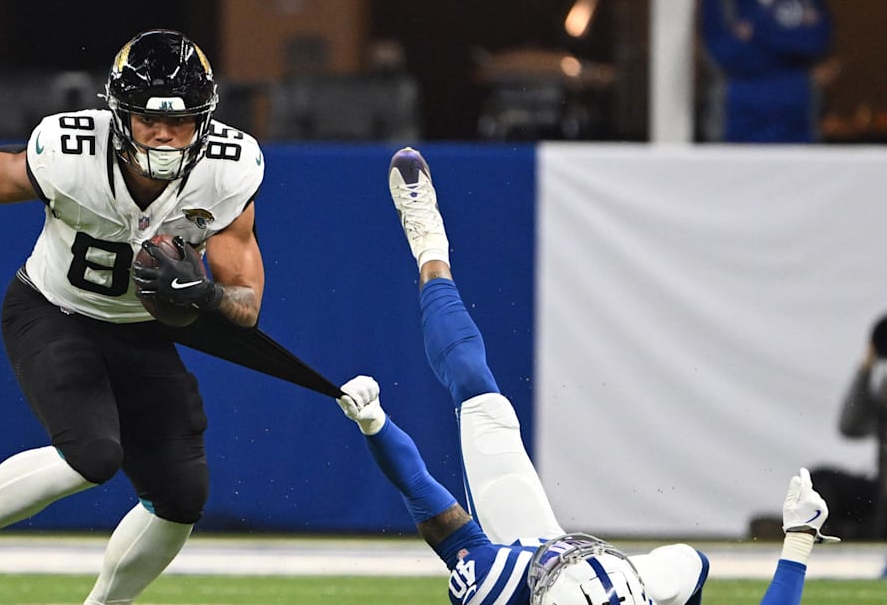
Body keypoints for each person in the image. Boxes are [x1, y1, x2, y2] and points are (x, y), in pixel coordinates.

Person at [331, 146, 839, 604]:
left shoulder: (499, 582)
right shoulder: (634, 582)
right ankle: (431, 248)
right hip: (616, 578)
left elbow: (429, 499)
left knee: (472, 382)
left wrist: (375, 424)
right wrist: (798, 538)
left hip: (525, 551)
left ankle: (430, 251)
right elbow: (693, 567)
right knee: (690, 563)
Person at [0, 29, 265, 605]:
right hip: (52, 310)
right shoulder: (71, 151)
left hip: (139, 330)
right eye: (148, 119)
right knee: (93, 453)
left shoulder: (227, 171)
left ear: (204, 121)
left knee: (182, 496)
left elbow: (245, 305)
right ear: (119, 115)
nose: (164, 134)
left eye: (181, 120)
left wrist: (204, 295)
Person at [700, 0, 832, 143]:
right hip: (735, 120)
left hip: (797, 120)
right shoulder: (723, 1)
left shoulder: (806, 0)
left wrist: (758, 31)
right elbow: (722, 53)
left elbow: (814, 42)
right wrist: (786, 36)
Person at [808, 314, 887, 540]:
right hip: (880, 492)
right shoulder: (884, 389)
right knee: (819, 480)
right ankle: (837, 531)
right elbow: (849, 426)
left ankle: (855, 533)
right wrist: (866, 367)